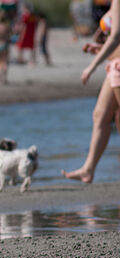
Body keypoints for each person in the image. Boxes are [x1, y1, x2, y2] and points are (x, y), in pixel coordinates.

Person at [63, 1, 120, 183]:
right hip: (114, 64)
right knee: (100, 115)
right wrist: (101, 49)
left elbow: (116, 36)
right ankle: (88, 169)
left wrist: (92, 66)